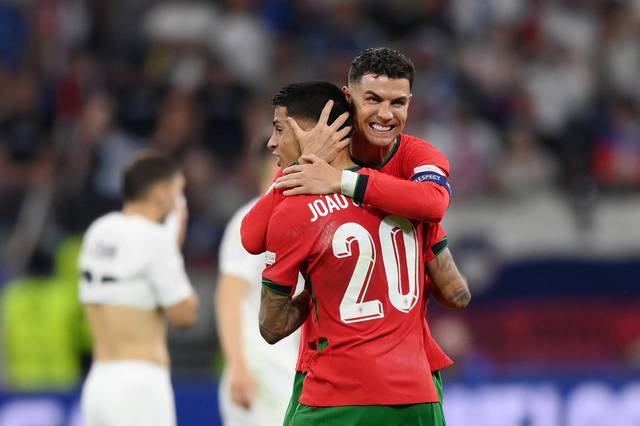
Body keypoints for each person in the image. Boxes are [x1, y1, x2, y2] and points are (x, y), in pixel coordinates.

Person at [258, 80, 445, 425]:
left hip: (341, 396)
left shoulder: (295, 209)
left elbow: (271, 327)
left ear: (313, 131)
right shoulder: (402, 196)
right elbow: (455, 290)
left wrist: (314, 290)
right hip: (419, 396)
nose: (271, 141)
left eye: (279, 129)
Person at [78, 151, 199, 426]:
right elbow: (184, 315)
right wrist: (173, 248)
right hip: (139, 386)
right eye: (179, 191)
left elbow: (129, 292)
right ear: (161, 195)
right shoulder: (155, 239)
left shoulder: (98, 231)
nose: (181, 202)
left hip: (98, 382)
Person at [215, 141, 303, 426]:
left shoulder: (298, 217)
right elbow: (229, 296)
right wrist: (238, 366)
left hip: (287, 366)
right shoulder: (250, 220)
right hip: (258, 368)